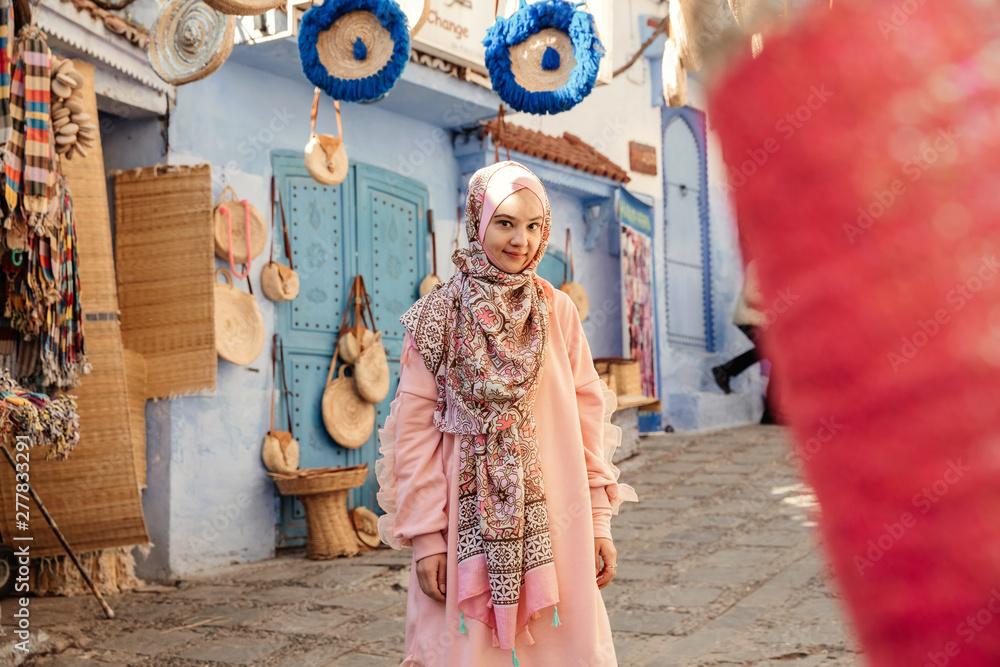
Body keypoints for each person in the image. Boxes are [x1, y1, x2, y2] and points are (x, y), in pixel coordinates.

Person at [375, 161, 636, 667]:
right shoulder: (437, 316)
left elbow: (587, 417)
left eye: (534, 225)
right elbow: (413, 434)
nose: (521, 240)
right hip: (463, 530)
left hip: (557, 522)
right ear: (477, 222)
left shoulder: (556, 310)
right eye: (505, 223)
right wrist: (427, 538)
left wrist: (599, 521)